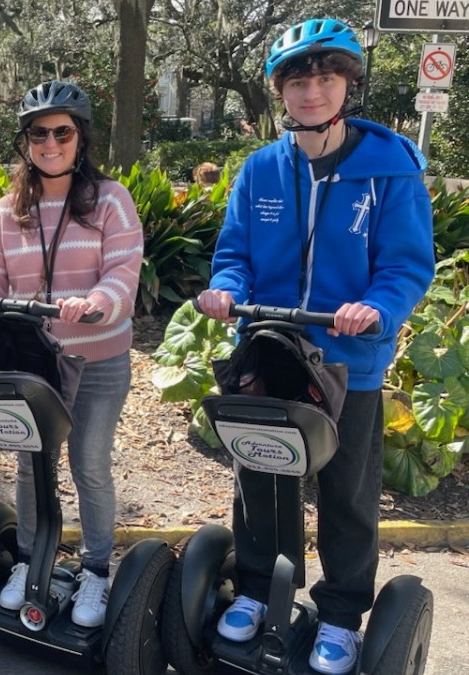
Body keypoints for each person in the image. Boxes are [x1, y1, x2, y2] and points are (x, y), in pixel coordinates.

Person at [196, 18, 434, 675]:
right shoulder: (261, 169)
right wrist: (224, 288)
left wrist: (377, 307)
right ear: (281, 92)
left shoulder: (391, 168)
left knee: (346, 494)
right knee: (261, 482)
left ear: (348, 85)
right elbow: (234, 253)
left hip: (346, 362)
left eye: (325, 78)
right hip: (268, 352)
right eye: (298, 81)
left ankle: (338, 613)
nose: (311, 92)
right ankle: (255, 590)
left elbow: (407, 265)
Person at [0, 80, 144, 628]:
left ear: (80, 137)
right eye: (40, 133)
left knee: (89, 464)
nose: (51, 143)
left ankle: (96, 572)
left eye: (63, 132)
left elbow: (123, 274)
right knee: (32, 465)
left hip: (98, 359)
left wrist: (99, 302)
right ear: (26, 142)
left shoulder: (110, 200)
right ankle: (32, 559)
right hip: (34, 362)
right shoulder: (9, 208)